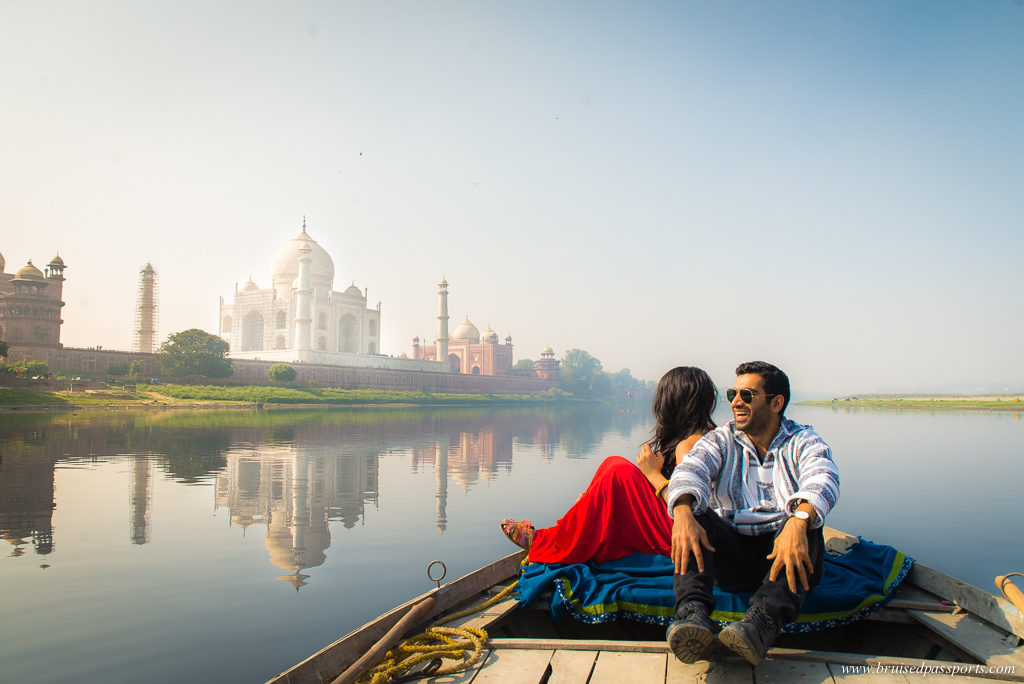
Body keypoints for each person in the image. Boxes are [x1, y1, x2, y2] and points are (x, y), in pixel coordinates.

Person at [665, 361, 840, 666]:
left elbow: (823, 477)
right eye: (733, 393)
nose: (735, 401)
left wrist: (798, 523)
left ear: (776, 403)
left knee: (805, 518)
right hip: (732, 556)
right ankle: (692, 615)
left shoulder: (803, 441)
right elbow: (690, 470)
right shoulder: (720, 439)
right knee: (695, 512)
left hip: (783, 556)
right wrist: (681, 512)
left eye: (746, 394)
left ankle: (760, 624)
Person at [499, 366, 717, 565]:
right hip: (674, 524)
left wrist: (652, 475)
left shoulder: (691, 444)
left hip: (684, 532)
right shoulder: (706, 438)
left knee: (617, 471)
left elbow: (689, 507)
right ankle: (569, 527)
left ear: (672, 404)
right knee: (610, 473)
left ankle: (547, 541)